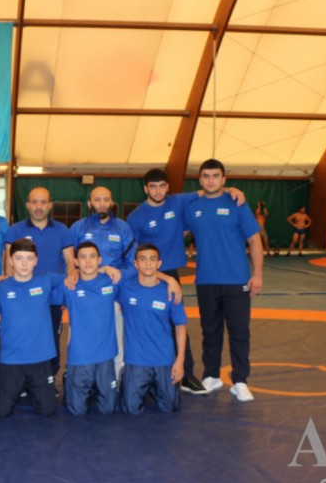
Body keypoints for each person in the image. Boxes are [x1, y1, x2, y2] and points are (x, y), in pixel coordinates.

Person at [126, 168, 246, 395]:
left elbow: (209, 190)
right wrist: (161, 277)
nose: (158, 191)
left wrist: (232, 189)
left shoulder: (178, 202)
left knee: (177, 323)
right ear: (146, 189)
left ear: (168, 187)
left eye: (162, 186)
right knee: (144, 323)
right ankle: (140, 374)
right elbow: (133, 253)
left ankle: (186, 375)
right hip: (145, 274)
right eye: (153, 187)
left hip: (170, 272)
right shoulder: (136, 217)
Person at [184, 159, 263, 402]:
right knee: (210, 331)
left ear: (224, 179)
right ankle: (211, 375)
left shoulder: (237, 203)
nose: (211, 180)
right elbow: (176, 233)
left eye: (215, 176)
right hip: (206, 280)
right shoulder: (192, 208)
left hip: (237, 280)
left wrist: (258, 274)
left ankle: (240, 380)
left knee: (239, 332)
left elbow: (254, 240)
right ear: (200, 179)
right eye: (206, 176)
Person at [5, 186, 75, 377]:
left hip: (52, 299)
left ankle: (49, 379)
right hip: (22, 298)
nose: (38, 206)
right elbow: (9, 263)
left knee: (51, 339)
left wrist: (68, 287)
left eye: (43, 202)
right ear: (27, 205)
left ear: (50, 205)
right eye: (34, 202)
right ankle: (22, 380)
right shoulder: (15, 230)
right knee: (23, 337)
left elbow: (70, 262)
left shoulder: (62, 230)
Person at [70, 186, 136, 378]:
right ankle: (77, 375)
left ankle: (114, 377)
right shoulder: (78, 228)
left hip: (112, 294)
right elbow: (67, 261)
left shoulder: (123, 228)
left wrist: (118, 278)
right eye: (97, 200)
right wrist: (77, 274)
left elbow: (133, 266)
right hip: (83, 293)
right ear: (89, 203)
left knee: (115, 337)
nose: (102, 204)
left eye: (106, 199)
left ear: (112, 203)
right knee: (79, 336)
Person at [0, 239, 64, 418]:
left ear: (36, 261)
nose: (24, 264)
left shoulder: (46, 280)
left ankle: (33, 389)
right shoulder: (0, 287)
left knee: (48, 410)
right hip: (11, 358)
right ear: (10, 261)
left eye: (29, 258)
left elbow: (77, 277)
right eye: (19, 258)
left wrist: (103, 269)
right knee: (1, 411)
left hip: (40, 358)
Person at [117, 244, 187, 414]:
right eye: (143, 259)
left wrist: (179, 361)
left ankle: (153, 387)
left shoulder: (171, 292)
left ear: (159, 263)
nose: (148, 263)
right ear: (135, 264)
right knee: (131, 409)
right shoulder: (125, 289)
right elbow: (98, 280)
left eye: (152, 259)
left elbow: (180, 326)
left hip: (164, 360)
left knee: (171, 407)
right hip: (136, 360)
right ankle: (131, 380)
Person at [62, 242, 118, 416]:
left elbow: (145, 271)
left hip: (105, 356)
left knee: (108, 410)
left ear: (100, 260)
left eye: (92, 257)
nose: (88, 261)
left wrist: (170, 280)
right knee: (76, 411)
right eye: (83, 257)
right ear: (76, 262)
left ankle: (96, 387)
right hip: (80, 357)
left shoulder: (112, 281)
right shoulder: (69, 285)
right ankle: (70, 379)